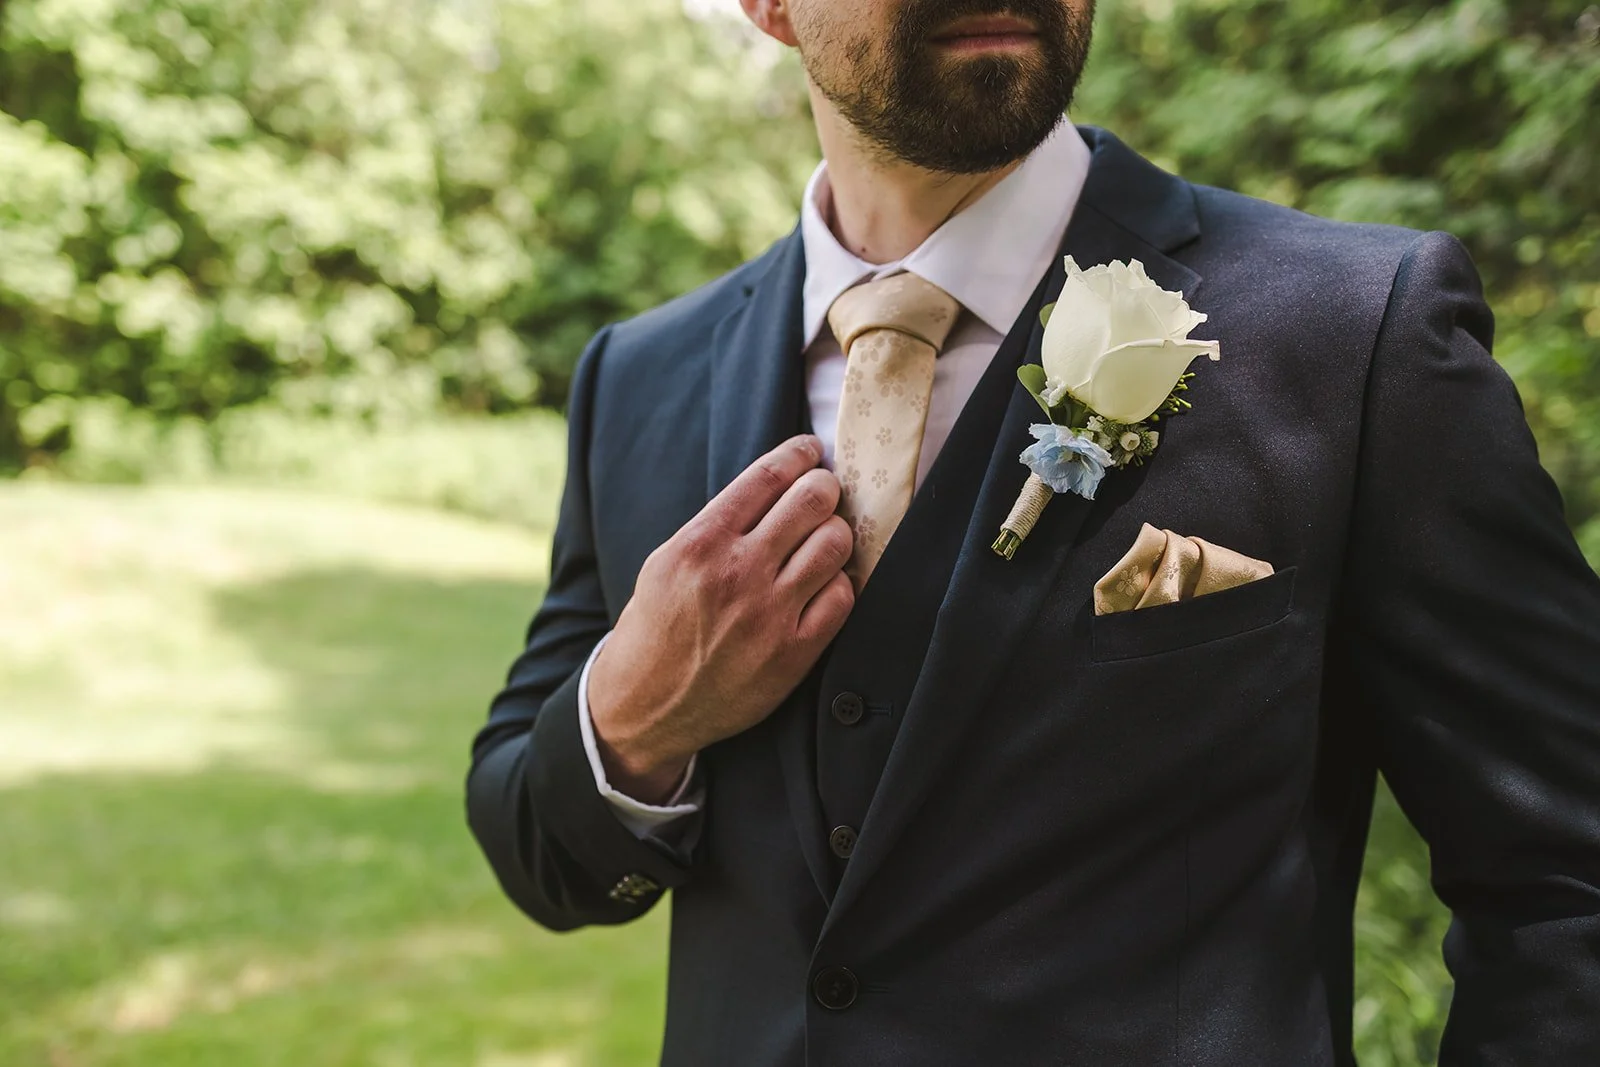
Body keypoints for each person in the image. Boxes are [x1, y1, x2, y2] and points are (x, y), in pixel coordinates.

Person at [466, 0, 1600, 1062]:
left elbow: (1566, 873)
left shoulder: (1356, 332)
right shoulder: (641, 377)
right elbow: (539, 855)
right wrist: (636, 708)